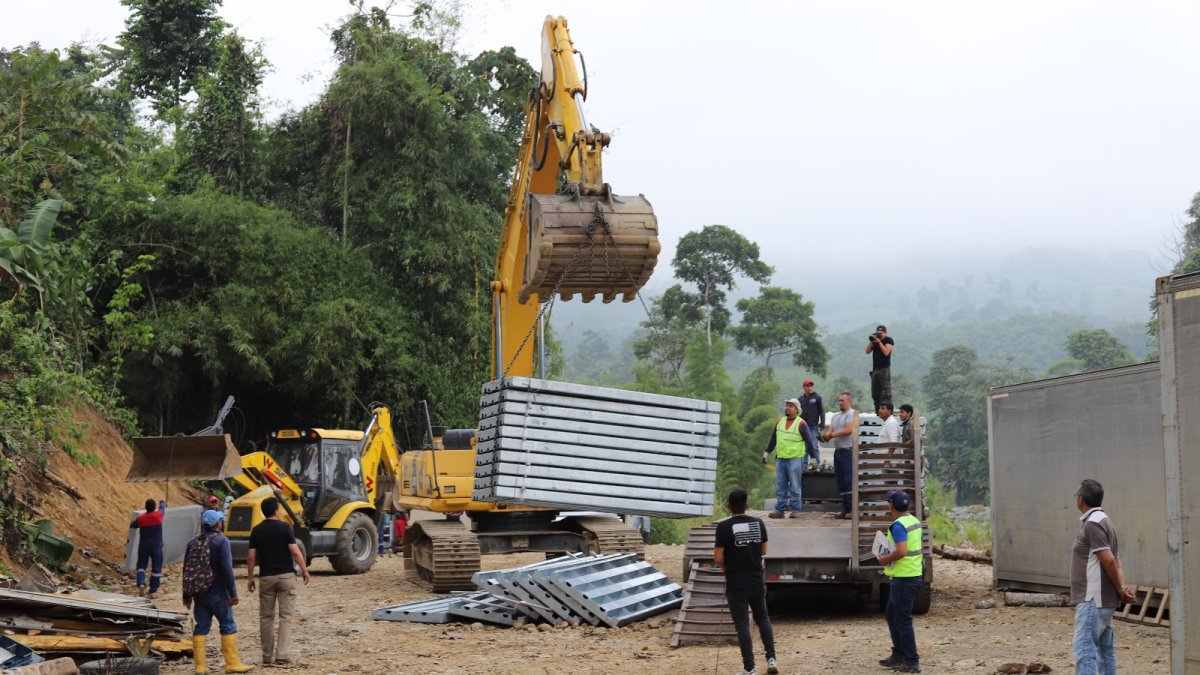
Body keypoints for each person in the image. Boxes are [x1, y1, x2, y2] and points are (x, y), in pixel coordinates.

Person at [1071, 479, 1136, 675]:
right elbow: (1117, 561)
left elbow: (1108, 561)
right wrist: (1122, 588)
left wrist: (1119, 589)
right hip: (1104, 600)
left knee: (1084, 649)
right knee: (1104, 649)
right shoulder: (1106, 521)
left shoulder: (1093, 524)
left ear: (1081, 499)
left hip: (1093, 599)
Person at [714, 488, 778, 675]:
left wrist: (728, 567)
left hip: (736, 582)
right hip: (756, 579)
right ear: (747, 505)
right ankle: (771, 659)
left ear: (728, 506)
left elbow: (718, 558)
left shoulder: (724, 527)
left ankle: (750, 669)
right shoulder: (758, 523)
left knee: (742, 625)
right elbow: (764, 550)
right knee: (763, 618)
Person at [184, 509, 254, 673]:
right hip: (218, 592)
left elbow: (187, 570)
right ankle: (232, 663)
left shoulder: (192, 543)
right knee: (228, 624)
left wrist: (186, 595)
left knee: (201, 626)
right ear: (217, 523)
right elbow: (227, 570)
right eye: (221, 520)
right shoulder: (222, 541)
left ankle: (200, 667)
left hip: (199, 593)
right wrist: (233, 593)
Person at [247, 497, 310, 667]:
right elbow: (295, 552)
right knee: (285, 617)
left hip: (266, 578)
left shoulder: (257, 530)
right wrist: (304, 570)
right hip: (285, 577)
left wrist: (251, 577)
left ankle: (267, 657)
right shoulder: (285, 527)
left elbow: (251, 557)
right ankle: (281, 656)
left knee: (266, 617)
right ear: (276, 510)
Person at [876, 490, 923, 673]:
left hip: (905, 577)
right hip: (911, 574)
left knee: (902, 619)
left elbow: (902, 551)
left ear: (890, 505)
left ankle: (911, 661)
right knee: (891, 614)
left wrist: (884, 559)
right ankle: (898, 654)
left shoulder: (898, 526)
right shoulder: (913, 521)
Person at [761, 398, 814, 519]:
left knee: (795, 485)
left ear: (797, 409)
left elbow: (809, 441)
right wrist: (766, 452)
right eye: (786, 405)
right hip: (781, 459)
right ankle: (780, 510)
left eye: (790, 406)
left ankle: (796, 509)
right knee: (780, 485)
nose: (787, 408)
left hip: (795, 459)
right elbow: (773, 439)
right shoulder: (780, 421)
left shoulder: (801, 423)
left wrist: (813, 458)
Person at [823, 392, 857, 519]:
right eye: (839, 400)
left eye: (842, 400)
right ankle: (845, 509)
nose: (840, 403)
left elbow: (849, 430)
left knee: (849, 481)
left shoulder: (852, 414)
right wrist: (826, 436)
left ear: (849, 401)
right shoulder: (835, 416)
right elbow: (830, 431)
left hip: (848, 451)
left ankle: (851, 509)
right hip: (838, 451)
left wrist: (831, 435)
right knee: (841, 481)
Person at [130, 497, 166, 598]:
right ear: (154, 507)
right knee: (156, 568)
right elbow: (162, 508)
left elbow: (134, 525)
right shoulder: (158, 515)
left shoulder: (141, 518)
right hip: (157, 547)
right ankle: (153, 589)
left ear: (145, 507)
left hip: (144, 546)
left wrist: (132, 523)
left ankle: (141, 583)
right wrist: (162, 502)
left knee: (141, 566)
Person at [865, 324, 895, 413]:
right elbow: (867, 351)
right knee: (875, 393)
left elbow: (886, 352)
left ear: (885, 333)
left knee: (886, 393)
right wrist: (872, 341)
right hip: (875, 369)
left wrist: (879, 342)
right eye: (878, 333)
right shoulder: (875, 341)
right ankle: (878, 412)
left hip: (884, 369)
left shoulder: (888, 340)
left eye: (881, 333)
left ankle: (888, 412)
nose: (879, 335)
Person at [798, 379, 825, 468]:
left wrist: (822, 423)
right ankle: (804, 465)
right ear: (804, 387)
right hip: (803, 426)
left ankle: (816, 463)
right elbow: (797, 412)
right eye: (807, 386)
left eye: (810, 386)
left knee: (814, 445)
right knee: (805, 446)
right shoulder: (800, 399)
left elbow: (821, 411)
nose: (809, 388)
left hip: (813, 425)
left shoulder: (817, 397)